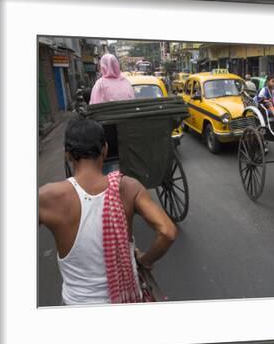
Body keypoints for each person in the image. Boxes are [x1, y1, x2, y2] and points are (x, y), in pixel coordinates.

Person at [39, 118, 177, 305]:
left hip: (77, 305)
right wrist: (145, 261)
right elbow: (167, 232)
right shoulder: (129, 187)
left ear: (67, 155)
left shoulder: (46, 197)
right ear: (104, 149)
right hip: (126, 301)